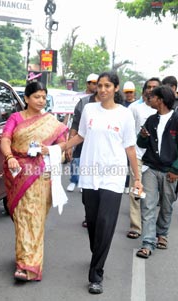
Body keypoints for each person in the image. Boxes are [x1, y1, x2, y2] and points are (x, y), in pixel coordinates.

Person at [66, 71, 143, 294]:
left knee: (105, 222)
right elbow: (80, 136)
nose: (102, 89)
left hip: (113, 176)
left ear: (116, 88)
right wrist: (60, 147)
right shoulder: (89, 109)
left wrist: (137, 178)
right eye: (100, 85)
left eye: (107, 86)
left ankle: (96, 275)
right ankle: (97, 251)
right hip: (90, 175)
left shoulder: (125, 115)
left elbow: (130, 147)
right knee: (92, 221)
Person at [0, 81, 68, 281]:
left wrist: (52, 151)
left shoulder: (51, 121)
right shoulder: (16, 118)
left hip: (41, 174)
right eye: (37, 97)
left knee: (35, 219)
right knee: (23, 219)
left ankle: (27, 266)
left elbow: (63, 145)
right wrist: (10, 157)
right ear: (27, 98)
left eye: (44, 97)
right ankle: (24, 258)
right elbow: (5, 139)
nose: (41, 101)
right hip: (18, 171)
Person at [136, 85, 178, 259]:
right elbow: (141, 144)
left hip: (171, 170)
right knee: (148, 205)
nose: (149, 99)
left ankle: (162, 234)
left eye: (152, 97)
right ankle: (147, 242)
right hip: (151, 169)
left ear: (160, 100)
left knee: (167, 205)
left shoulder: (176, 118)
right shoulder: (151, 120)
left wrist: (176, 169)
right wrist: (143, 136)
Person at [127, 77, 161, 239]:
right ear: (144, 89)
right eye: (148, 86)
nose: (151, 89)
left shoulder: (163, 110)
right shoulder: (134, 108)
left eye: (155, 87)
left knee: (151, 194)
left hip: (156, 159)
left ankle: (150, 225)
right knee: (135, 190)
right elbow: (128, 133)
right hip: (137, 155)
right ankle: (135, 226)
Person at [66, 73, 99, 193]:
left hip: (97, 139)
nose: (97, 87)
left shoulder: (108, 103)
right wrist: (69, 143)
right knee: (77, 158)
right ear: (88, 84)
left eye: (98, 84)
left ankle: (85, 182)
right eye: (94, 83)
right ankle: (74, 180)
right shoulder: (83, 101)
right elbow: (75, 123)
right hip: (81, 137)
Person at [122, 81, 136, 193]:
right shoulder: (120, 104)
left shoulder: (137, 106)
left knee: (130, 161)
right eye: (127, 92)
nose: (129, 94)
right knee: (123, 162)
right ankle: (123, 183)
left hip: (132, 138)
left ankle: (128, 184)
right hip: (121, 137)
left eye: (130, 92)